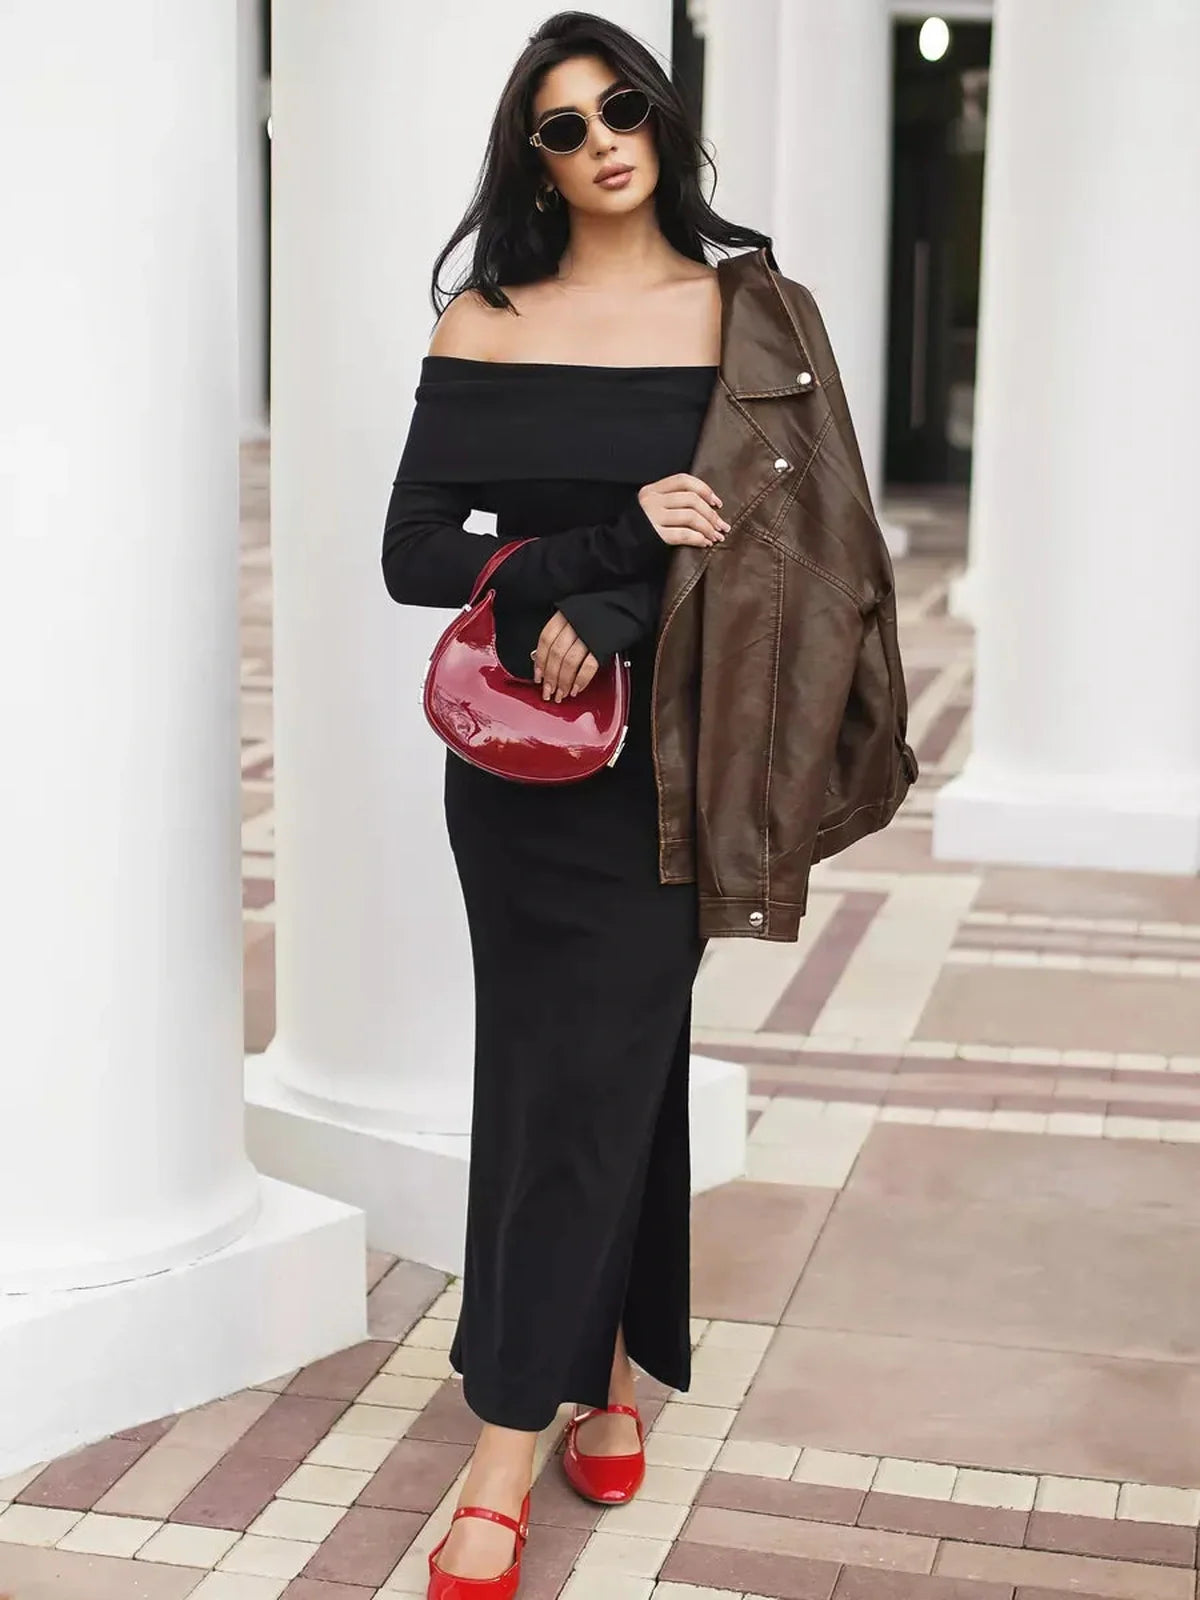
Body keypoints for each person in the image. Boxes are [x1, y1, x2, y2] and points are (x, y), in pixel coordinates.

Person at [382, 13, 917, 1598]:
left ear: (662, 120)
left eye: (624, 105)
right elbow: (418, 551)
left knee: (593, 1073)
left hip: (680, 757)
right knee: (565, 1070)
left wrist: (618, 604)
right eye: (562, 125)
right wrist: (582, 553)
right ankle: (608, 1372)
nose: (603, 138)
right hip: (524, 772)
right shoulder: (491, 320)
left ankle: (499, 1445)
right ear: (529, 158)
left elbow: (803, 542)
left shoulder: (752, 313)